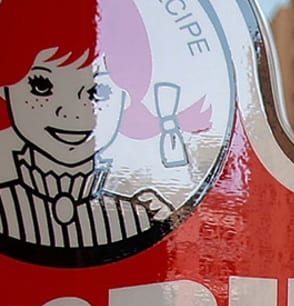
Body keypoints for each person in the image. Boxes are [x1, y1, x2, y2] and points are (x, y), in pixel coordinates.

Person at [0, 0, 210, 250]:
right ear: (5, 88)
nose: (72, 111)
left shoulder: (138, 218)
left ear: (128, 95)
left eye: (98, 90)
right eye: (42, 86)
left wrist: (170, 232)